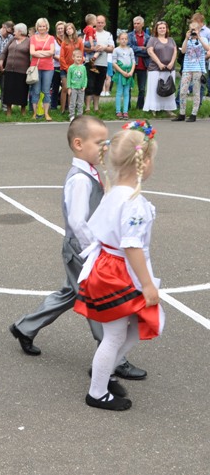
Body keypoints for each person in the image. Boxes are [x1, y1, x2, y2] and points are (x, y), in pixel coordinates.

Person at [74, 121, 163, 411]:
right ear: (144, 162)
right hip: (117, 271)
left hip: (108, 266)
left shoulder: (113, 192)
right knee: (115, 335)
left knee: (132, 328)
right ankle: (97, 392)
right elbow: (132, 246)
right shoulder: (134, 202)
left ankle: (104, 369)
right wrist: (147, 284)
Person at [9, 116, 108, 357]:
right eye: (99, 143)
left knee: (71, 293)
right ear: (78, 144)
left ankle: (25, 327)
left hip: (83, 246)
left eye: (106, 143)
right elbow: (77, 221)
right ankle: (111, 355)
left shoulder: (90, 173)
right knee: (96, 298)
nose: (105, 148)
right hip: (82, 248)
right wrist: (94, 251)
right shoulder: (80, 179)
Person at [174, 21, 210, 122]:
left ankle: (194, 114)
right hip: (187, 68)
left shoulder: (203, 39)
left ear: (199, 30)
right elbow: (183, 51)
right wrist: (186, 38)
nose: (193, 31)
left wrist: (199, 37)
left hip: (198, 69)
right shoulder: (188, 40)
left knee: (196, 91)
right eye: (191, 30)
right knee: (183, 91)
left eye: (195, 29)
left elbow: (207, 49)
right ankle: (182, 113)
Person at [144, 20, 178, 116]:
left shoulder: (171, 39)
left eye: (164, 28)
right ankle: (154, 108)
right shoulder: (153, 40)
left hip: (169, 68)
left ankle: (168, 108)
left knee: (169, 88)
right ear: (156, 29)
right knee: (155, 88)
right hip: (155, 68)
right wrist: (159, 63)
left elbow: (175, 51)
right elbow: (150, 52)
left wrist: (172, 62)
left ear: (166, 29)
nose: (162, 29)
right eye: (160, 28)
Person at [0, 23, 31, 117]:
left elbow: (32, 55)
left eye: (15, 31)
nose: (13, 33)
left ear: (20, 31)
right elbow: (4, 52)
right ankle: (8, 111)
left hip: (22, 70)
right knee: (8, 90)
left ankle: (23, 110)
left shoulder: (29, 41)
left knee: (22, 90)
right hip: (9, 69)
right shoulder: (12, 39)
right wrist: (1, 62)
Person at [85, 15, 114, 112]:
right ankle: (87, 108)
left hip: (103, 64)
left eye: (102, 22)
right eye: (98, 22)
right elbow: (83, 47)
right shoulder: (90, 31)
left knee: (98, 86)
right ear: (95, 22)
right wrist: (93, 49)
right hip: (91, 63)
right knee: (90, 85)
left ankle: (96, 107)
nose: (100, 24)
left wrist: (104, 48)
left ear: (105, 23)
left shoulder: (108, 34)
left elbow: (112, 49)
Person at [29, 18, 57, 121]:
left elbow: (52, 52)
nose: (41, 28)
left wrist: (39, 53)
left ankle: (46, 113)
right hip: (35, 68)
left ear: (46, 27)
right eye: (40, 26)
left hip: (48, 67)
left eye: (43, 26)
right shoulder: (33, 38)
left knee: (46, 91)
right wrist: (45, 53)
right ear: (37, 27)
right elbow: (32, 52)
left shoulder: (51, 38)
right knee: (36, 91)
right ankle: (35, 113)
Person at [60, 22, 84, 116]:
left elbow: (81, 55)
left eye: (70, 28)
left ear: (73, 29)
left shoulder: (79, 41)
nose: (68, 30)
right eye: (66, 29)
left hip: (76, 69)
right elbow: (61, 57)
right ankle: (62, 109)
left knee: (73, 89)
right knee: (65, 87)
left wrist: (77, 67)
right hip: (65, 68)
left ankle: (71, 111)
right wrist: (67, 69)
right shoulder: (64, 42)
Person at [127, 16, 151, 110]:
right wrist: (141, 48)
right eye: (135, 23)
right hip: (131, 65)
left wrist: (135, 50)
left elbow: (148, 52)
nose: (136, 25)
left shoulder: (148, 37)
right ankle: (127, 107)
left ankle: (140, 107)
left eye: (138, 23)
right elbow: (128, 48)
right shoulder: (129, 36)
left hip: (143, 65)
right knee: (128, 87)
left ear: (142, 24)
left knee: (142, 88)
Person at [112, 32, 136, 120]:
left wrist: (131, 72)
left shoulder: (130, 50)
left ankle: (125, 111)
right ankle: (118, 111)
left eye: (125, 39)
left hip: (128, 73)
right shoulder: (116, 50)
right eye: (122, 39)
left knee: (126, 92)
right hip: (120, 73)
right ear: (119, 40)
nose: (124, 40)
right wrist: (122, 72)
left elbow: (133, 61)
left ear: (128, 40)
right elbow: (114, 63)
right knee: (119, 92)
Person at [0, 21, 14, 108]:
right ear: (3, 26)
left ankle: (5, 106)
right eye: (7, 31)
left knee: (5, 86)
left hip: (6, 64)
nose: (8, 34)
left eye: (10, 32)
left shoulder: (11, 37)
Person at [66, 50, 88, 121]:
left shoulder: (83, 67)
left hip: (81, 88)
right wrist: (69, 87)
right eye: (77, 57)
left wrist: (84, 85)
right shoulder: (71, 68)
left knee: (80, 103)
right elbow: (69, 78)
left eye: (80, 57)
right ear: (73, 57)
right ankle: (72, 115)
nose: (79, 58)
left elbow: (85, 77)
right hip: (73, 88)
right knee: (72, 102)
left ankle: (79, 116)